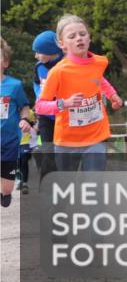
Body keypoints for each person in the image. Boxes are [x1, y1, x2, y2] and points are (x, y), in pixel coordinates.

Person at [35, 15, 123, 172]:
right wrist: (64, 103)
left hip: (95, 136)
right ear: (62, 44)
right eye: (72, 36)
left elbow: (99, 80)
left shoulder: (100, 62)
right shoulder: (58, 72)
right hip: (67, 141)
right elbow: (40, 107)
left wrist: (112, 95)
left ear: (89, 38)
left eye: (82, 34)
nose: (79, 39)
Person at [1, 38, 31, 208]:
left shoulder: (14, 85)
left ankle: (4, 192)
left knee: (7, 189)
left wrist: (25, 119)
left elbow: (24, 106)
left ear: (5, 62)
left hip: (9, 142)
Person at [31, 30, 62, 181]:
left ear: (51, 50)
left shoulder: (66, 65)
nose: (36, 56)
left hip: (63, 116)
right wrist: (39, 95)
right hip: (46, 116)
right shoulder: (39, 66)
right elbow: (36, 83)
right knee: (48, 150)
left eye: (39, 52)